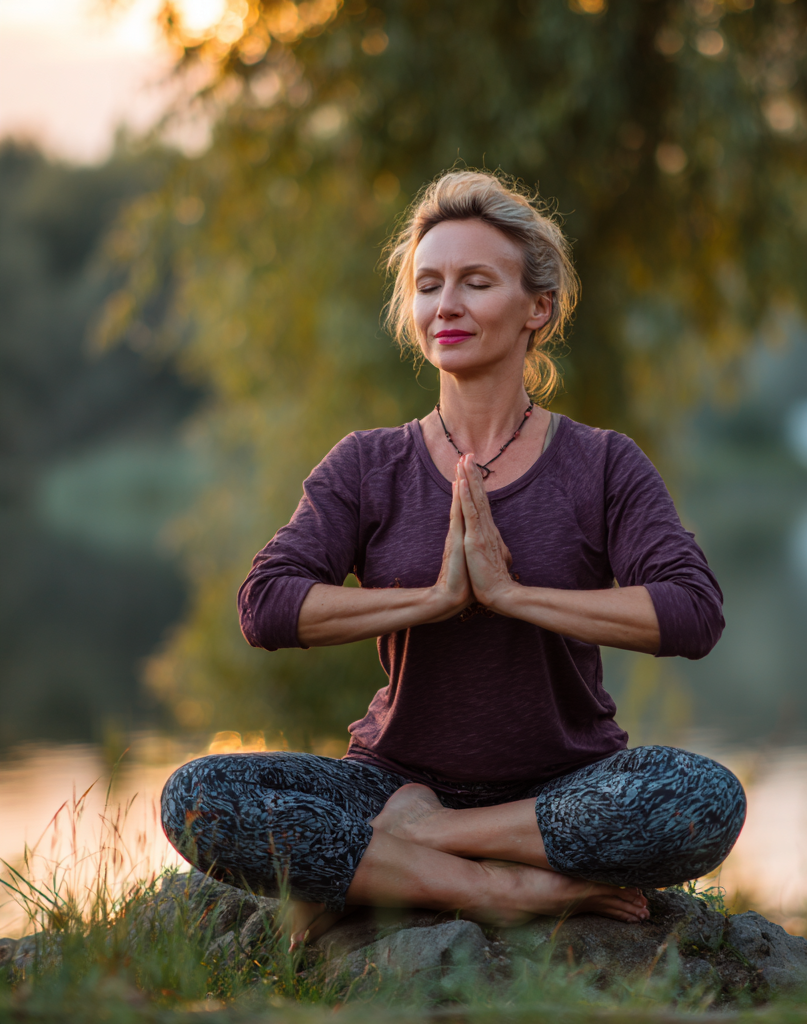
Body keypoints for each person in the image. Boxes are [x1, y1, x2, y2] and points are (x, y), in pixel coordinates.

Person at [161, 170, 745, 950]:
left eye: (476, 282)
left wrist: (510, 593)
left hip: (562, 786)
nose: (448, 305)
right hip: (389, 781)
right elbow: (266, 606)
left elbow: (692, 612)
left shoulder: (602, 464)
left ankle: (411, 852)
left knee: (702, 798)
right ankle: (495, 888)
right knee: (197, 796)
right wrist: (433, 599)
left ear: (538, 307)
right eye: (429, 285)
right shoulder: (369, 464)